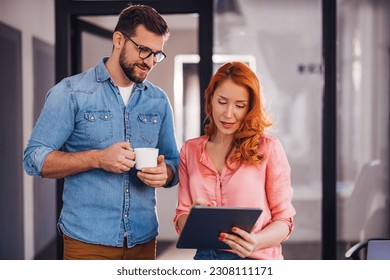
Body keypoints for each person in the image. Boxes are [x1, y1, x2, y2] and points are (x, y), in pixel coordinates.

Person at [23, 4, 179, 260]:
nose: (150, 62)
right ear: (119, 39)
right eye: (143, 50)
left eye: (157, 54)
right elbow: (33, 159)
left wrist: (166, 173)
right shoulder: (71, 92)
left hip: (143, 241)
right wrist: (97, 158)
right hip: (88, 242)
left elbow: (173, 160)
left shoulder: (158, 100)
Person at [174, 62, 296, 260]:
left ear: (249, 108)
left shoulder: (268, 147)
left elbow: (284, 221)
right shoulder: (190, 150)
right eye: (222, 102)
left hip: (255, 261)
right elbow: (181, 215)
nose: (229, 114)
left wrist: (255, 241)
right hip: (206, 259)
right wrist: (197, 219)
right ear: (211, 99)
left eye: (240, 106)